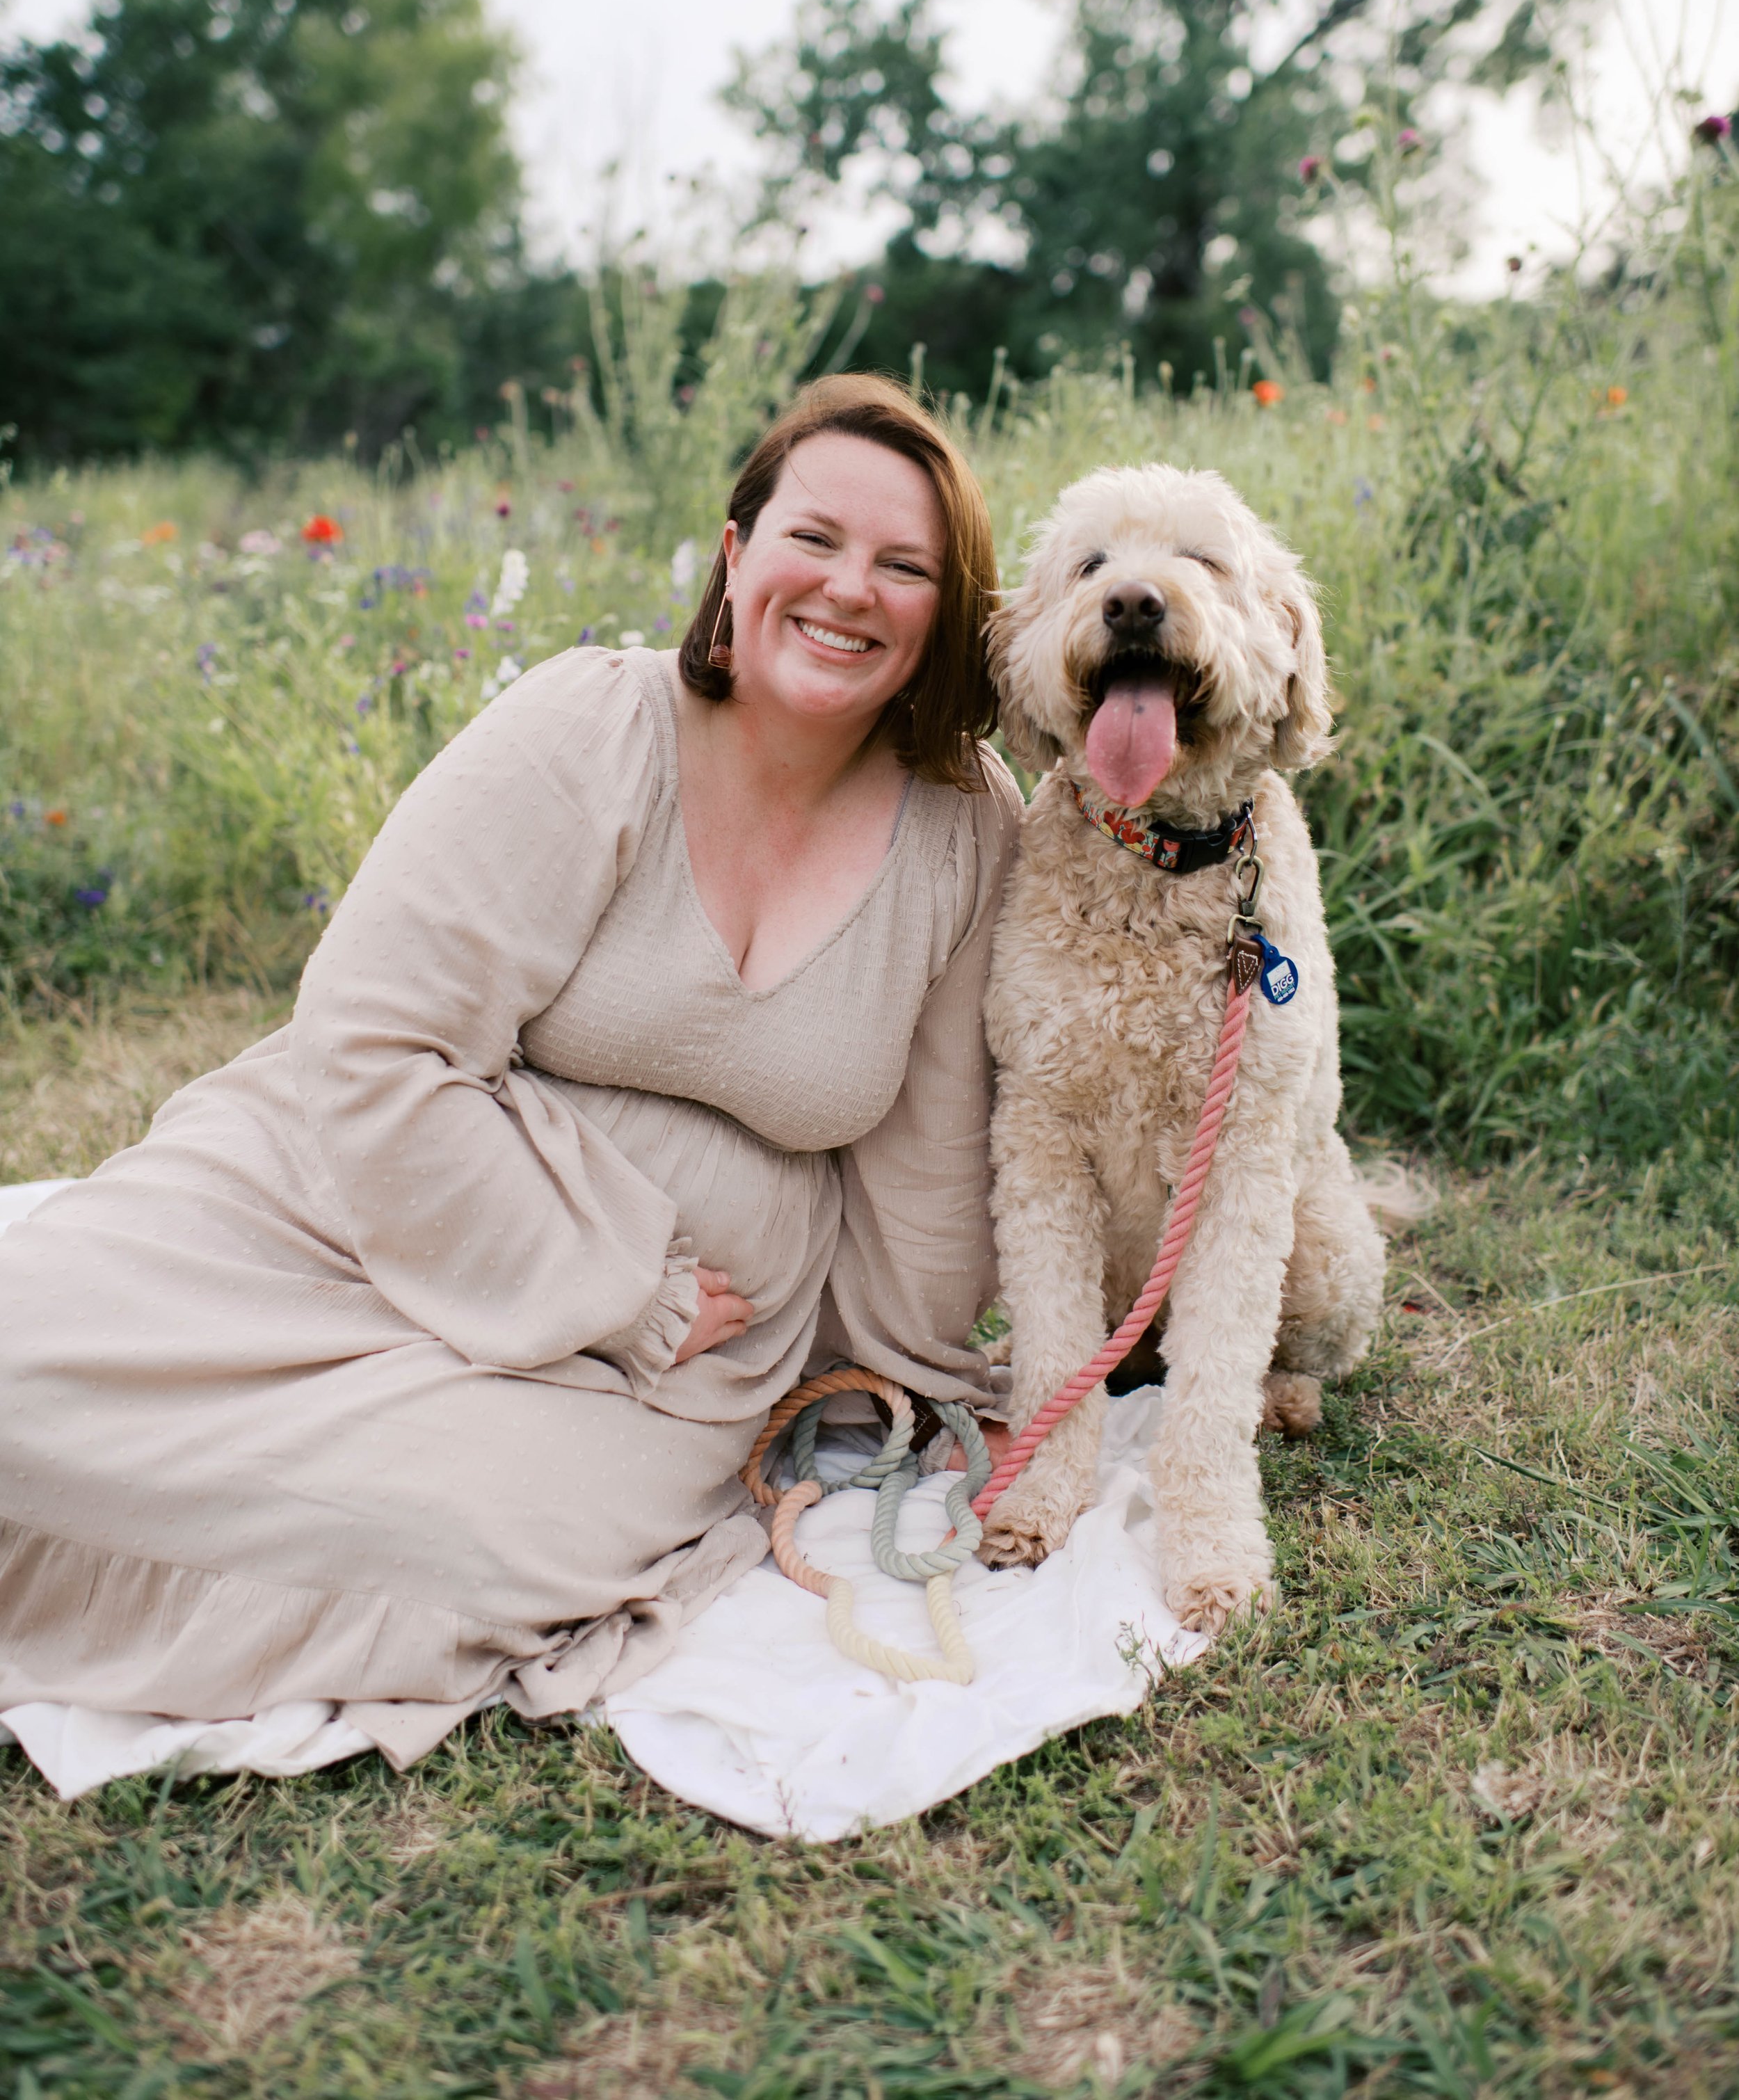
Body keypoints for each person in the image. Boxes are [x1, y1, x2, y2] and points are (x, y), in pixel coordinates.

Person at [0, 378, 1023, 1767]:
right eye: (814, 539)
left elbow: (923, 1163)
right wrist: (623, 1288)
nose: (850, 589)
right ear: (735, 557)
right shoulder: (589, 728)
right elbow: (371, 1040)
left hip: (673, 1372)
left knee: (423, 1544)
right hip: (357, 1202)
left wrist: (907, 1382)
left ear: (941, 611)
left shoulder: (964, 827)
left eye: (904, 566)